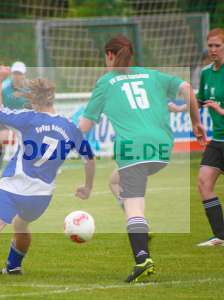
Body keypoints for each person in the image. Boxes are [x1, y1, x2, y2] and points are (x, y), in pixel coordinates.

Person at [79, 34, 206, 283]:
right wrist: (195, 122)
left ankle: (142, 258)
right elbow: (188, 91)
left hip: (133, 149)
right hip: (160, 149)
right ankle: (140, 229)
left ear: (110, 55)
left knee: (134, 207)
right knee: (114, 182)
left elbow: (84, 125)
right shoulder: (153, 75)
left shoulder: (106, 82)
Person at [0, 66, 95, 285]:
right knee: (21, 226)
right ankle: (13, 267)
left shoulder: (28, 118)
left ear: (34, 99)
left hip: (14, 187)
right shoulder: (69, 127)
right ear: (52, 98)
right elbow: (90, 158)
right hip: (41, 197)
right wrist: (87, 188)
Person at [196, 28, 224, 247]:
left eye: (218, 46)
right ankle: (220, 236)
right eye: (210, 45)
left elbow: (215, 106)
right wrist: (177, 108)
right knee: (204, 182)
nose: (213, 50)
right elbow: (200, 101)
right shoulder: (206, 73)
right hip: (218, 140)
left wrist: (221, 110)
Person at [0, 61, 30, 178]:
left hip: (23, 118)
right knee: (2, 140)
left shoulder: (30, 89)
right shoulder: (4, 87)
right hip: (7, 117)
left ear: (24, 75)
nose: (17, 76)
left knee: (30, 141)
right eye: (15, 73)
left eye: (19, 73)